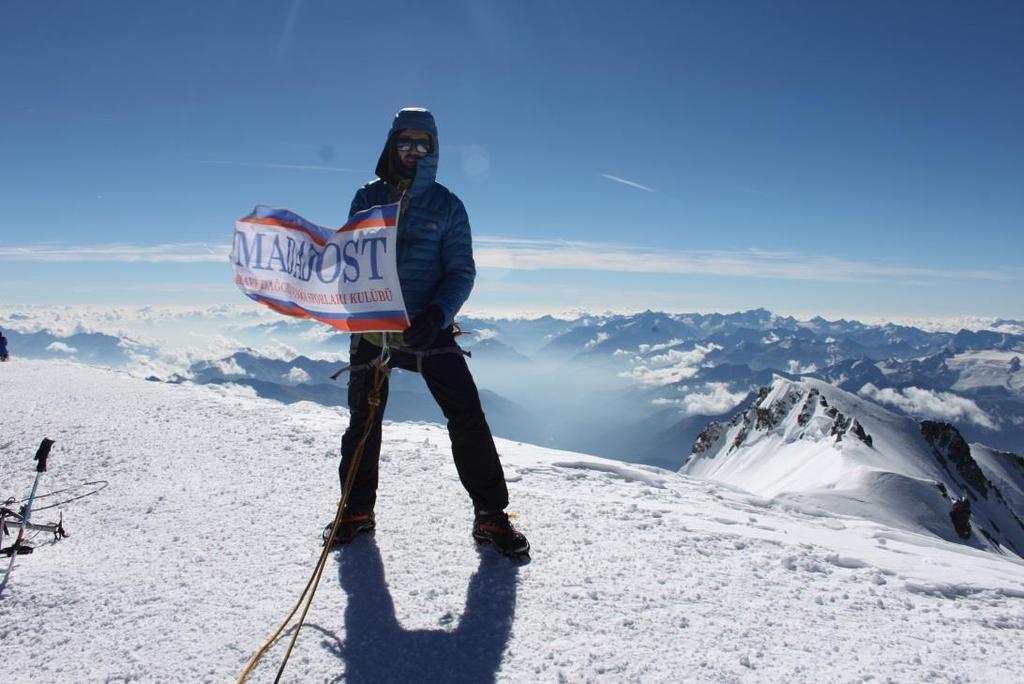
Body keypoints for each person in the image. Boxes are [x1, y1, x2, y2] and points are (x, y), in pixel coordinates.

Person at [330, 108, 529, 558]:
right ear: (392, 146)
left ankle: (491, 515)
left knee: (467, 417)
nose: (414, 152)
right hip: (376, 327)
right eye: (406, 143)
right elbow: (351, 258)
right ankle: (355, 510)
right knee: (364, 422)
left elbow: (461, 269)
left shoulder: (448, 205)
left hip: (429, 326)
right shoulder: (367, 198)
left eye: (423, 144)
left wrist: (437, 314)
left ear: (434, 150)